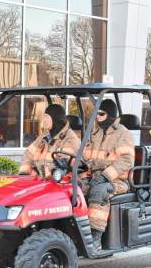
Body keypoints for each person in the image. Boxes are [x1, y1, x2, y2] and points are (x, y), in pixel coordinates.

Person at [81, 99, 135, 251]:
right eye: (96, 113)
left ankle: (95, 236)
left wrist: (105, 176)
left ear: (110, 115)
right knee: (74, 188)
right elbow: (86, 155)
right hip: (96, 176)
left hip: (117, 180)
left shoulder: (123, 134)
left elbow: (126, 160)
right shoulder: (95, 132)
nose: (97, 117)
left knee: (100, 191)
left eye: (101, 114)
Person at [19, 104, 80, 178]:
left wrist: (45, 174)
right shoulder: (45, 136)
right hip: (41, 181)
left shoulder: (70, 138)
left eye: (46, 117)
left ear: (55, 118)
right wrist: (24, 173)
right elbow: (27, 155)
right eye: (44, 117)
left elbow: (63, 165)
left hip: (59, 183)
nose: (44, 120)